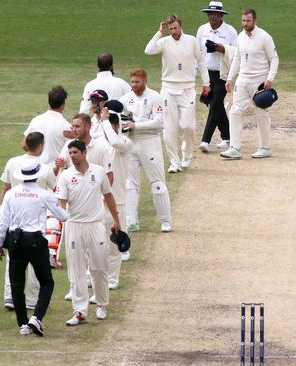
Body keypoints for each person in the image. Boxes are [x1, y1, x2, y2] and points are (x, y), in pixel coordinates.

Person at [0, 160, 69, 336]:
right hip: (35, 241)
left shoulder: (11, 194)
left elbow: (3, 222)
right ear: (37, 176)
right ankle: (36, 317)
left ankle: (23, 324)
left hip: (15, 241)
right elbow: (63, 216)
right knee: (47, 282)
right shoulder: (44, 194)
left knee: (16, 284)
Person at [56, 140, 120, 326]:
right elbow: (61, 202)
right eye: (70, 153)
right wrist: (61, 218)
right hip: (74, 225)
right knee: (76, 269)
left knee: (99, 266)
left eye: (75, 152)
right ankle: (80, 311)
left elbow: (108, 196)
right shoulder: (66, 176)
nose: (72, 155)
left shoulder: (98, 171)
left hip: (96, 225)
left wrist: (116, 221)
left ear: (84, 153)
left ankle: (101, 304)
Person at [55, 113, 114, 299]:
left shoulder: (102, 146)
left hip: (96, 207)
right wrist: (59, 166)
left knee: (98, 260)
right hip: (75, 212)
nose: (73, 129)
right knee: (76, 259)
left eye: (77, 126)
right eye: (72, 126)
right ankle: (77, 294)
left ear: (88, 126)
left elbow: (109, 176)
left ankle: (100, 296)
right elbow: (60, 173)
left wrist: (101, 198)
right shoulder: (68, 146)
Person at [145, 15, 210, 173]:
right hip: (168, 88)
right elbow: (148, 50)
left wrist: (206, 83)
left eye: (175, 28)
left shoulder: (191, 40)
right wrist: (159, 33)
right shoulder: (164, 41)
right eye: (171, 28)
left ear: (181, 26)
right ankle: (175, 162)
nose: (173, 31)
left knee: (188, 126)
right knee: (169, 127)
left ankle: (187, 154)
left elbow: (201, 61)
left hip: (187, 88)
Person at [0, 132, 57, 310]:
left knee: (13, 257)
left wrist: (2, 212)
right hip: (36, 221)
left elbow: (5, 188)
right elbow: (55, 191)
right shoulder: (45, 169)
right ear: (40, 146)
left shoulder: (12, 162)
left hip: (13, 216)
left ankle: (10, 296)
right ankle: (32, 299)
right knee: (35, 260)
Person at [120, 68, 173, 234]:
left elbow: (159, 122)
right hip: (131, 143)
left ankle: (165, 221)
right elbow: (121, 120)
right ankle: (131, 221)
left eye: (138, 82)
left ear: (145, 81)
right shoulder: (125, 99)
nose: (134, 85)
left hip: (149, 142)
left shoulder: (155, 97)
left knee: (157, 184)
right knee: (130, 185)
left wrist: (137, 125)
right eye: (132, 82)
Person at [221, 8, 279, 160]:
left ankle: (265, 148)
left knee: (261, 113)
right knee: (235, 111)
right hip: (242, 80)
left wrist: (270, 78)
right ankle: (235, 148)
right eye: (243, 21)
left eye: (248, 21)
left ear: (255, 20)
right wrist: (229, 78)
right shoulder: (240, 36)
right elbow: (237, 58)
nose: (245, 24)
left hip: (260, 81)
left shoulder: (264, 37)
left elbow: (274, 58)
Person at [98, 101, 133, 288]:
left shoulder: (125, 143)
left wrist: (104, 121)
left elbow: (114, 140)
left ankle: (112, 279)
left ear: (118, 124)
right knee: (95, 243)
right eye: (108, 121)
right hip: (96, 201)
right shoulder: (98, 145)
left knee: (113, 244)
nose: (109, 125)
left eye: (113, 121)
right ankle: (90, 275)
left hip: (117, 201)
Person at [196, 1, 238, 153]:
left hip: (223, 73)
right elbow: (198, 51)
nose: (212, 16)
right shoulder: (202, 30)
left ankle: (205, 141)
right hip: (207, 74)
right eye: (210, 13)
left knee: (214, 105)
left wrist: (222, 49)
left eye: (215, 13)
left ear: (221, 15)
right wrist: (197, 72)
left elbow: (236, 53)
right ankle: (228, 138)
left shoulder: (230, 31)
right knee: (216, 105)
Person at [23, 85, 74, 167]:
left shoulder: (36, 120)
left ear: (49, 102)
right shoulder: (67, 127)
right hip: (55, 172)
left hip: (36, 169)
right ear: (63, 104)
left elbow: (25, 145)